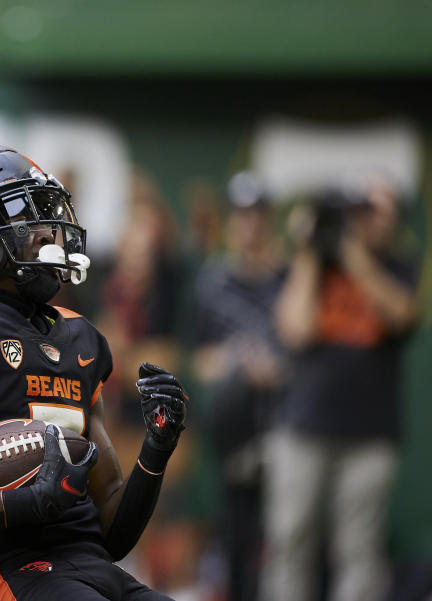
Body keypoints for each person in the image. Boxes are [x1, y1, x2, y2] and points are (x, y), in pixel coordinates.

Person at [0, 144, 190, 600]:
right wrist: (24, 502)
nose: (46, 232)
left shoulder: (78, 338)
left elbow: (112, 535)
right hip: (14, 571)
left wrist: (156, 447)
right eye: (23, 216)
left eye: (46, 217)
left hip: (94, 569)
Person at [259, 174, 420, 601]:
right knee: (291, 541)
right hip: (303, 426)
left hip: (370, 433)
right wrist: (312, 250)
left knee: (359, 551)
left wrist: (352, 252)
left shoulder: (400, 264)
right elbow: (296, 330)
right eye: (359, 209)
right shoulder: (310, 263)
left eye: (377, 210)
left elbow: (401, 316)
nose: (365, 219)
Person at [192, 172, 286, 601]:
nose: (250, 226)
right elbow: (199, 360)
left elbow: (304, 355)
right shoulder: (213, 282)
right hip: (234, 430)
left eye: (258, 216)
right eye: (243, 216)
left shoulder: (289, 278)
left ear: (269, 222)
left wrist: (274, 368)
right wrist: (239, 361)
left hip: (287, 423)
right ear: (232, 223)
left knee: (286, 534)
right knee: (237, 534)